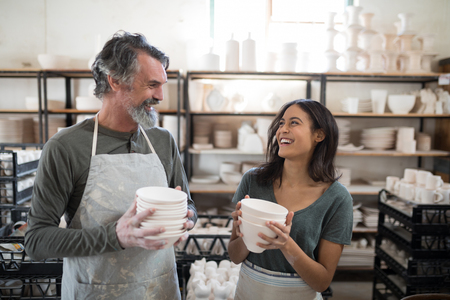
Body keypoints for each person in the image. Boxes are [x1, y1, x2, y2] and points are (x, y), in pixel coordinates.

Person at [24, 31, 197, 299]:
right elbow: (36, 241)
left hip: (158, 289)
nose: (161, 96)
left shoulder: (162, 141)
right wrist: (115, 236)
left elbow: (189, 206)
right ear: (115, 80)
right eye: (152, 85)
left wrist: (186, 219)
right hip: (96, 291)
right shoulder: (66, 147)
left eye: (163, 84)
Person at [228, 99, 353, 300]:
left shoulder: (337, 198)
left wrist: (286, 245)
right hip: (248, 291)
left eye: (294, 123)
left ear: (319, 135)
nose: (282, 130)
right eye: (281, 123)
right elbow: (234, 256)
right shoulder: (253, 181)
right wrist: (245, 231)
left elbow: (322, 281)